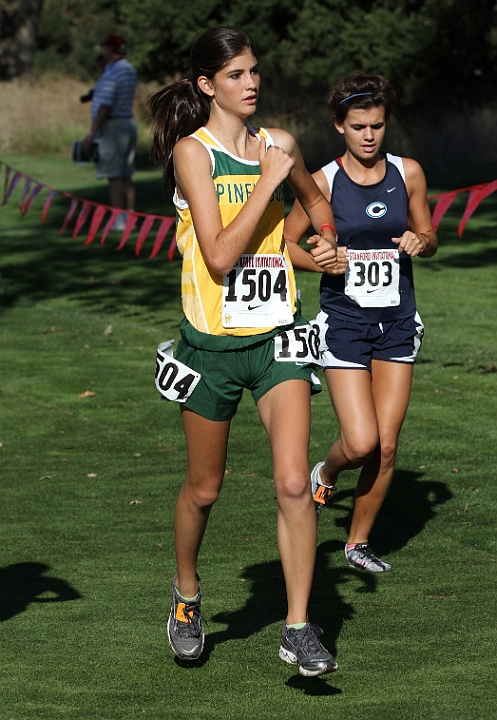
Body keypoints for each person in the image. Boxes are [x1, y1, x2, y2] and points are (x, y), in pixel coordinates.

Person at [149, 27, 342, 676]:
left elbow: (317, 205)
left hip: (276, 340)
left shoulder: (281, 144)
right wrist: (267, 182)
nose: (251, 82)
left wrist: (324, 247)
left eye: (253, 71)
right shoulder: (192, 155)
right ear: (207, 86)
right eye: (235, 75)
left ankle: (296, 625)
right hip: (209, 350)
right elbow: (219, 254)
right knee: (204, 491)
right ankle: (186, 594)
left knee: (293, 482)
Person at [284, 71, 438, 574]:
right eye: (358, 126)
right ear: (339, 126)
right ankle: (326, 470)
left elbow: (428, 233)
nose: (369, 135)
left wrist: (422, 242)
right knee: (361, 442)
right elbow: (285, 246)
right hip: (345, 322)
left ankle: (357, 542)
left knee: (388, 445)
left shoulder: (407, 172)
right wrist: (324, 261)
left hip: (396, 321)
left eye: (377, 125)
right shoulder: (323, 182)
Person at [82, 35, 137, 230]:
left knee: (114, 175)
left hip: (113, 126)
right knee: (126, 174)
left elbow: (105, 104)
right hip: (127, 123)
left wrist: (91, 133)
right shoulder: (128, 69)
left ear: (111, 50)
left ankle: (119, 219)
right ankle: (130, 215)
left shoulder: (113, 73)